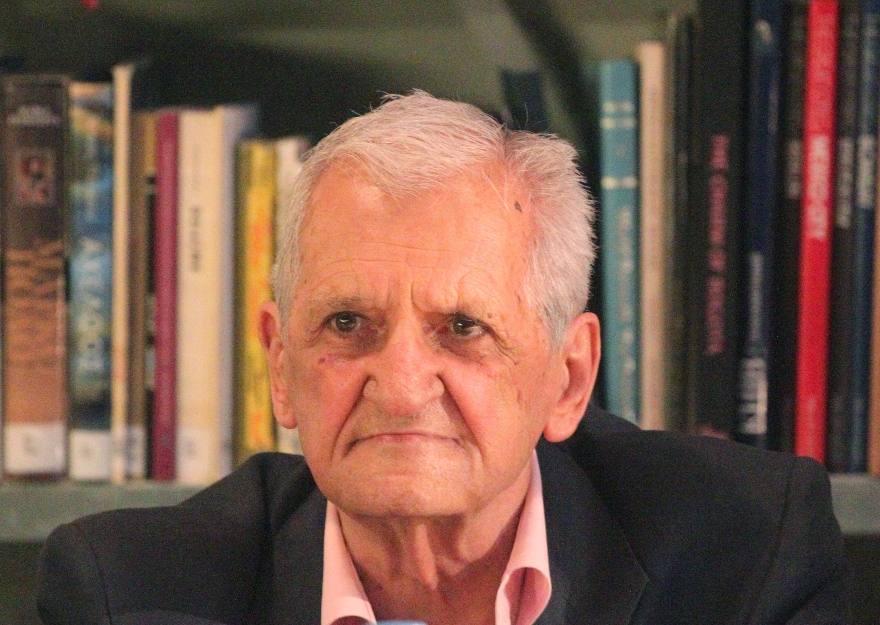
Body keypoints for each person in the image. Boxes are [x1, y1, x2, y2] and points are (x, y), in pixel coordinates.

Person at [36, 91, 850, 625]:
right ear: (280, 365)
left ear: (568, 378)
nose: (399, 386)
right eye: (348, 322)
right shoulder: (125, 591)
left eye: (462, 327)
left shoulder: (747, 557)